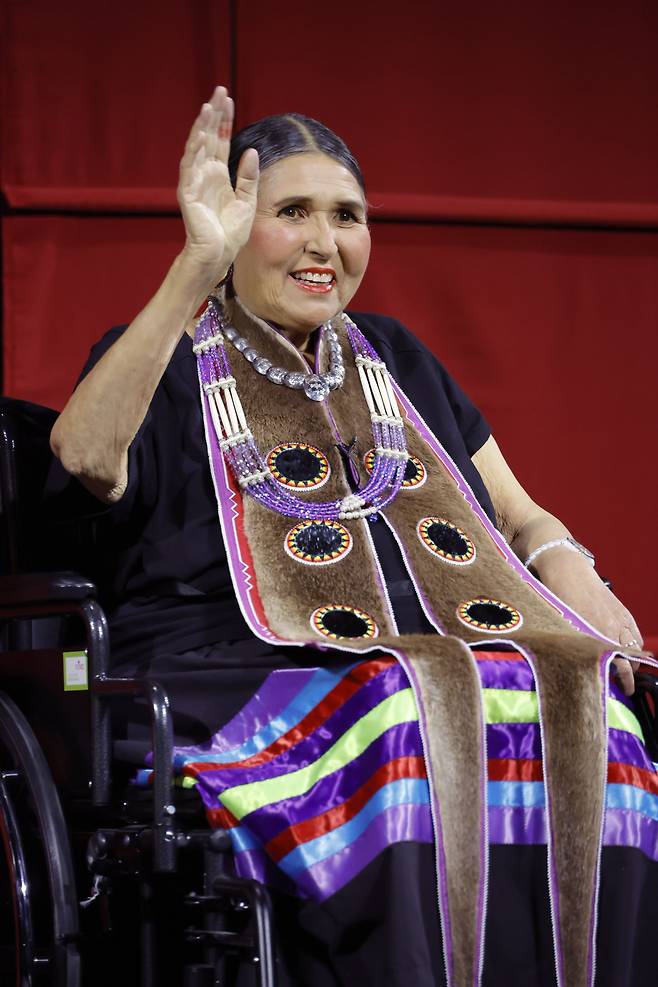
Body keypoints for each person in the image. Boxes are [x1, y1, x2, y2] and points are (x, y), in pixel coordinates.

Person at [49, 87, 656, 987]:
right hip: (224, 667)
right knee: (406, 709)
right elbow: (86, 457)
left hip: (415, 654)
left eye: (346, 216)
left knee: (590, 705)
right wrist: (194, 267)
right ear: (235, 224)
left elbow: (518, 513)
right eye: (291, 212)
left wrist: (573, 572)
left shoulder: (396, 358)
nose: (323, 242)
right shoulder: (163, 352)